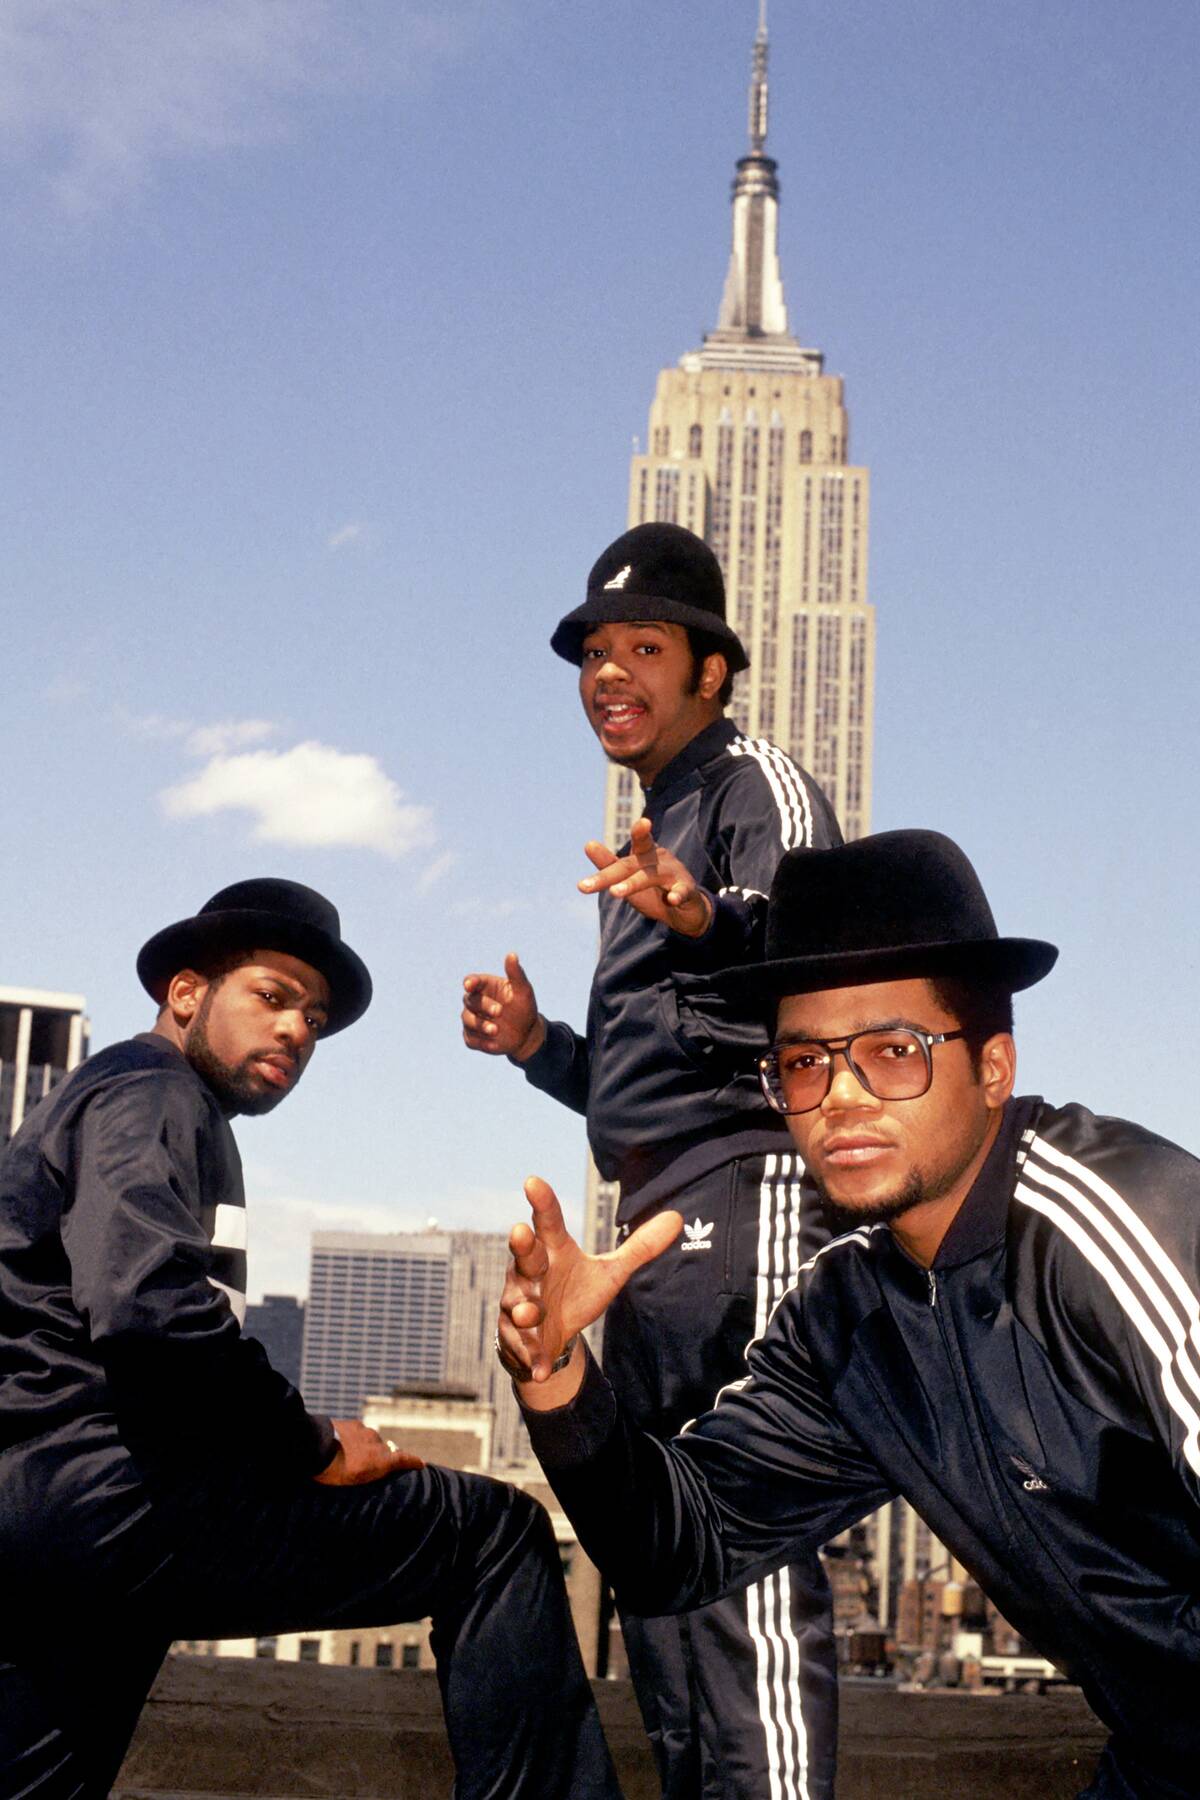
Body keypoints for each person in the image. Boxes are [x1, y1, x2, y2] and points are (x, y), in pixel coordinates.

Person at [499, 827, 1200, 1800]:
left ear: (992, 1067)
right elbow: (678, 1548)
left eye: (894, 1051)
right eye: (804, 1063)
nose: (842, 1097)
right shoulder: (850, 1315)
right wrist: (557, 1378)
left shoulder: (1126, 1226)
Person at [0, 878, 619, 1800]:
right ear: (185, 993)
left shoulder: (127, 1101)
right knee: (493, 1533)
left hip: (45, 1520)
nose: (297, 1031)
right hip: (116, 1503)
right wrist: (314, 1444)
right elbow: (148, 1311)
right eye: (273, 997)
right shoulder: (150, 1092)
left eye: (316, 1020)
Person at [464, 522, 843, 1799]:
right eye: (593, 653)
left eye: (644, 647)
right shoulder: (651, 827)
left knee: (745, 1526)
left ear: (710, 671)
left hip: (749, 1181)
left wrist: (706, 915)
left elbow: (811, 960)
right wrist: (535, 1047)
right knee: (665, 1549)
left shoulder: (755, 790)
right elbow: (648, 1076)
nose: (609, 673)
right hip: (655, 1204)